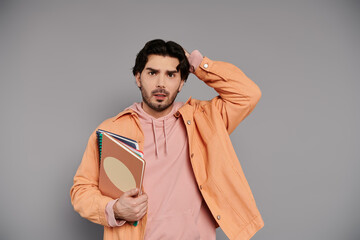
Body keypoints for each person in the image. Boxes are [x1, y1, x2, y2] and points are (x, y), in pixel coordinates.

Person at [70, 39, 264, 240]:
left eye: (171, 75)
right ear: (138, 78)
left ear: (181, 82)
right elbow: (81, 190)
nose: (161, 83)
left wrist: (197, 63)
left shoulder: (206, 120)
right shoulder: (111, 129)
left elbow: (248, 94)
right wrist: (114, 209)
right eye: (152, 73)